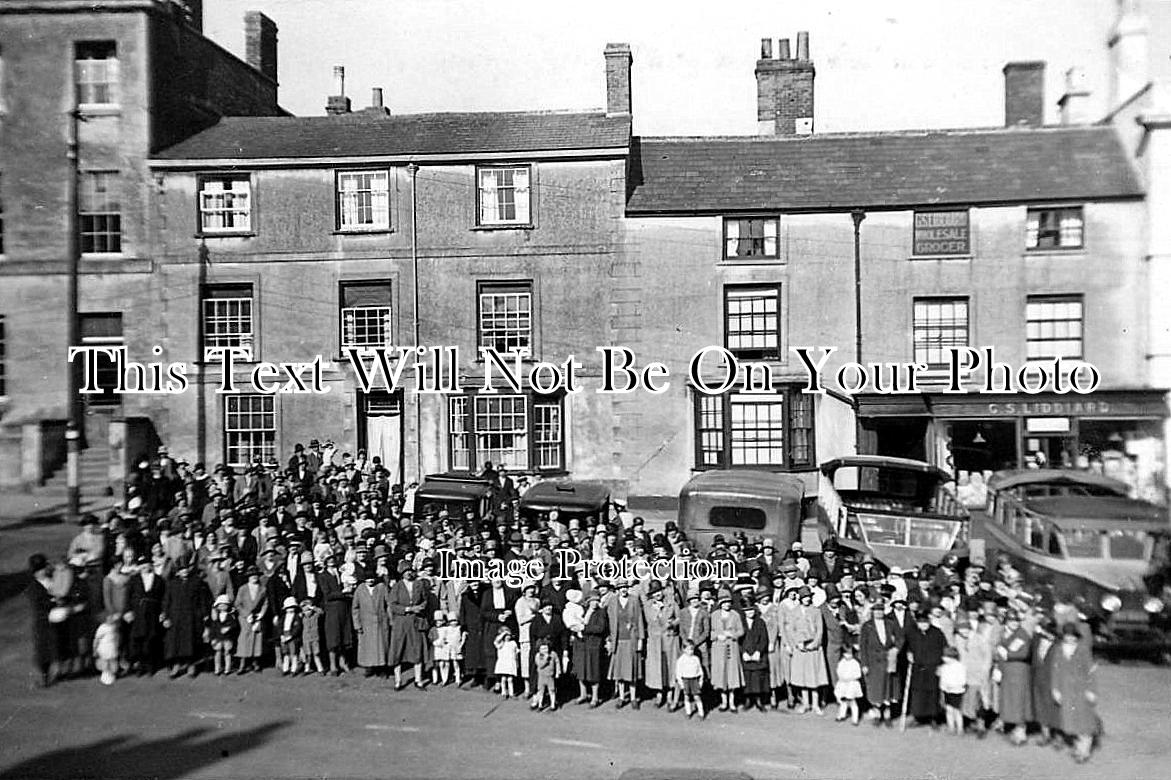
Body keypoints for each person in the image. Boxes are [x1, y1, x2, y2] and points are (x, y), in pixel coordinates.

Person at [1050, 622, 1100, 763]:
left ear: (1076, 637)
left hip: (1081, 689)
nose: (1070, 639)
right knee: (1071, 720)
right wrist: (1055, 689)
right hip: (1066, 689)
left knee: (1084, 719)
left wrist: (1091, 690)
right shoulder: (1059, 650)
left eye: (1073, 636)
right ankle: (1079, 746)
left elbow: (1090, 672)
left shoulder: (1083, 650)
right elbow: (1055, 671)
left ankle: (1084, 750)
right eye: (1067, 636)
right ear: (1063, 636)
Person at [161, 562, 209, 679]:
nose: (184, 572)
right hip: (175, 616)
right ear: (178, 572)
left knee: (190, 642)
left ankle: (191, 665)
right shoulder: (172, 584)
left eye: (186, 569)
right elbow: (167, 600)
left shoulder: (196, 582)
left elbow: (202, 600)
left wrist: (204, 614)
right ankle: (176, 666)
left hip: (191, 616)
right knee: (175, 642)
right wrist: (165, 616)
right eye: (182, 570)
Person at [388, 561, 430, 689]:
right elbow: (393, 605)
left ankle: (418, 679)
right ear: (401, 574)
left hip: (416, 622)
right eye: (405, 572)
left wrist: (420, 608)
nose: (408, 574)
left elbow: (424, 601)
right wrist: (409, 609)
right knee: (398, 651)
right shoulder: (397, 586)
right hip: (401, 622)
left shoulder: (419, 584)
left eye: (410, 571)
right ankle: (398, 680)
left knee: (417, 650)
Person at [995, 610, 1033, 744]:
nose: (1014, 623)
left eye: (1016, 621)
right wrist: (999, 667)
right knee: (1008, 699)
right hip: (1007, 671)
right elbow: (999, 652)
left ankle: (1020, 729)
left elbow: (1024, 653)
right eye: (1011, 621)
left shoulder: (1022, 634)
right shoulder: (1003, 633)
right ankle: (1008, 723)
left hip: (1019, 671)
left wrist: (1008, 655)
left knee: (1019, 701)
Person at [905, 609, 947, 726]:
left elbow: (944, 648)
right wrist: (909, 653)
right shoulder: (912, 633)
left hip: (932, 668)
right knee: (918, 693)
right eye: (920, 623)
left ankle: (933, 718)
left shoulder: (937, 633)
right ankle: (918, 716)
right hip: (918, 668)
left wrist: (941, 665)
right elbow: (907, 646)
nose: (923, 625)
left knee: (933, 694)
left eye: (925, 622)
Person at [606, 579, 644, 709]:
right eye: (621, 587)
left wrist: (640, 639)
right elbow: (610, 622)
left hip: (631, 639)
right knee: (620, 671)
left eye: (625, 587)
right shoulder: (612, 601)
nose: (623, 590)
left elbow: (639, 620)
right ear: (617, 589)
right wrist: (610, 640)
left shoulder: (634, 600)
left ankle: (633, 698)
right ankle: (622, 697)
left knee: (631, 670)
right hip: (618, 640)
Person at [790, 586, 828, 715]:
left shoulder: (816, 611)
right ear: (800, 598)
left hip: (813, 648)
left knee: (814, 677)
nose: (807, 599)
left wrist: (814, 644)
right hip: (800, 649)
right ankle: (805, 703)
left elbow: (820, 630)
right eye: (804, 597)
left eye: (808, 597)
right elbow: (791, 630)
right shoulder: (794, 612)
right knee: (803, 677)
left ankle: (816, 704)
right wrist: (797, 643)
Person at [643, 581, 681, 709]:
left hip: (670, 639)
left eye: (658, 591)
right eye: (654, 593)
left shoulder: (671, 602)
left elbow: (679, 618)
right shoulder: (648, 606)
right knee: (657, 667)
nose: (657, 594)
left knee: (670, 666)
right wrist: (658, 610)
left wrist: (673, 624)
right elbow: (650, 620)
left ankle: (670, 694)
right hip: (655, 640)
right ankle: (659, 694)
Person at [710, 590, 744, 712]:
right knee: (721, 674)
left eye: (729, 602)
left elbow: (741, 631)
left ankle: (732, 701)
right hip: (718, 648)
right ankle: (723, 701)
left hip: (732, 647)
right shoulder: (714, 615)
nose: (727, 605)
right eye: (724, 602)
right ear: (720, 603)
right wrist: (717, 636)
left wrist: (732, 634)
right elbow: (710, 631)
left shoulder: (735, 615)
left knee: (732, 674)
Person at [352, 572, 392, 677]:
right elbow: (355, 608)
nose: (370, 580)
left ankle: (382, 668)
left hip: (381, 621)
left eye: (372, 578)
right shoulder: (360, 589)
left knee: (382, 647)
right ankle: (369, 668)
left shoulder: (381, 587)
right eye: (368, 579)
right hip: (366, 623)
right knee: (367, 647)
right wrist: (357, 625)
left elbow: (388, 604)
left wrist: (390, 620)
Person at [576, 592, 608, 707]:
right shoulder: (582, 611)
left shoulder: (601, 612)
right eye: (592, 600)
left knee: (594, 671)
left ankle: (595, 697)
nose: (594, 603)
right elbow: (575, 622)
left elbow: (600, 628)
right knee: (581, 670)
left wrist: (584, 628)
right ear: (588, 601)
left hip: (594, 644)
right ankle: (583, 694)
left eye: (596, 600)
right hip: (582, 644)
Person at [739, 594, 771, 712]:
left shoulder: (760, 622)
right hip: (746, 654)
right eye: (747, 610)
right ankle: (748, 700)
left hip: (758, 654)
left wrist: (758, 651)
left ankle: (759, 700)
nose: (750, 612)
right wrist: (743, 652)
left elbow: (764, 639)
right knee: (747, 676)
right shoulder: (740, 623)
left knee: (758, 677)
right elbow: (738, 640)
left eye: (751, 609)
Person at [234, 566, 268, 674]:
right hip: (245, 618)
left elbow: (265, 603)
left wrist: (261, 614)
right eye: (252, 576)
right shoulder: (243, 589)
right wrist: (246, 614)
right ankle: (242, 664)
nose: (254, 577)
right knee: (244, 638)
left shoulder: (262, 589)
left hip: (257, 617)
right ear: (248, 577)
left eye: (256, 575)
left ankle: (255, 662)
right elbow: (237, 604)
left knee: (257, 638)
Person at [939, 645, 967, 735]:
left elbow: (962, 680)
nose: (943, 658)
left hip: (957, 692)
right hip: (947, 692)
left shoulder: (960, 667)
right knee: (949, 710)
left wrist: (953, 686)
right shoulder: (944, 667)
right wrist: (943, 687)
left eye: (945, 656)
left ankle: (960, 728)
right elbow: (942, 679)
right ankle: (951, 727)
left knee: (957, 711)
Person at [675, 640, 706, 719]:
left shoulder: (696, 659)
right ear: (684, 649)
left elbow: (700, 671)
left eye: (692, 649)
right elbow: (678, 673)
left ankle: (701, 712)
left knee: (697, 697)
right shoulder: (681, 660)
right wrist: (681, 684)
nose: (691, 651)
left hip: (694, 680)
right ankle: (688, 712)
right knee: (687, 696)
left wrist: (700, 681)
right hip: (685, 680)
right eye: (689, 649)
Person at [209, 595, 238, 676]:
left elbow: (234, 625)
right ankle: (217, 669)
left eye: (224, 605)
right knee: (217, 653)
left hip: (227, 638)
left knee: (227, 652)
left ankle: (227, 669)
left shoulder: (230, 616)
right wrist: (212, 638)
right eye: (220, 605)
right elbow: (213, 628)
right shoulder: (215, 617)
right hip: (217, 638)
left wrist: (228, 628)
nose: (222, 606)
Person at [834, 645, 863, 725]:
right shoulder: (841, 662)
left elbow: (858, 674)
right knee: (843, 701)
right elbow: (838, 671)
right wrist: (842, 677)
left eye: (850, 654)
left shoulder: (855, 663)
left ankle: (855, 719)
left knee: (852, 702)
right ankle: (841, 715)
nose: (848, 655)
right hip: (843, 684)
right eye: (846, 653)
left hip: (851, 685)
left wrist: (849, 678)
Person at [530, 637, 561, 711]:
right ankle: (540, 704)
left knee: (552, 690)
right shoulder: (538, 656)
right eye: (542, 649)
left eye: (546, 648)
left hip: (550, 676)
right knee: (541, 690)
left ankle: (553, 704)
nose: (545, 651)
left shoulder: (553, 654)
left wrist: (558, 672)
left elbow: (557, 662)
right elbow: (540, 665)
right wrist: (546, 659)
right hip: (541, 676)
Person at [94, 612, 121, 686]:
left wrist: (117, 643)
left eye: (111, 617)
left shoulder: (113, 626)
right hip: (104, 647)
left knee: (112, 661)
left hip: (112, 647)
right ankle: (105, 676)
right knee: (105, 662)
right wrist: (95, 649)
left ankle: (111, 675)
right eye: (109, 618)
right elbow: (97, 639)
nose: (111, 619)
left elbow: (116, 636)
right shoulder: (102, 628)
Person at [279, 597, 304, 675]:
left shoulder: (297, 617)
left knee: (294, 654)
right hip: (284, 635)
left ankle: (294, 669)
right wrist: (282, 635)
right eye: (288, 607)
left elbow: (298, 628)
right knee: (285, 653)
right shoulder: (283, 617)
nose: (290, 609)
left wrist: (291, 635)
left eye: (292, 607)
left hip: (293, 637)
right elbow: (280, 627)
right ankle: (285, 668)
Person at [300, 599, 325, 676]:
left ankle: (320, 669)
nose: (307, 612)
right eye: (305, 611)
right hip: (306, 639)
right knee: (307, 655)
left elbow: (321, 612)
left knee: (316, 654)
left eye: (308, 610)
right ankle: (307, 669)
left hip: (315, 638)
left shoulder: (315, 616)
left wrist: (312, 608)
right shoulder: (302, 618)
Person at [494, 626, 520, 698]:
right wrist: (504, 633)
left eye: (508, 635)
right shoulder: (500, 644)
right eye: (505, 636)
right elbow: (497, 641)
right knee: (503, 679)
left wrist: (517, 663)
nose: (507, 637)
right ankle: (503, 692)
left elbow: (516, 653)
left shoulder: (513, 643)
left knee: (510, 679)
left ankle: (511, 693)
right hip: (503, 663)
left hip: (511, 663)